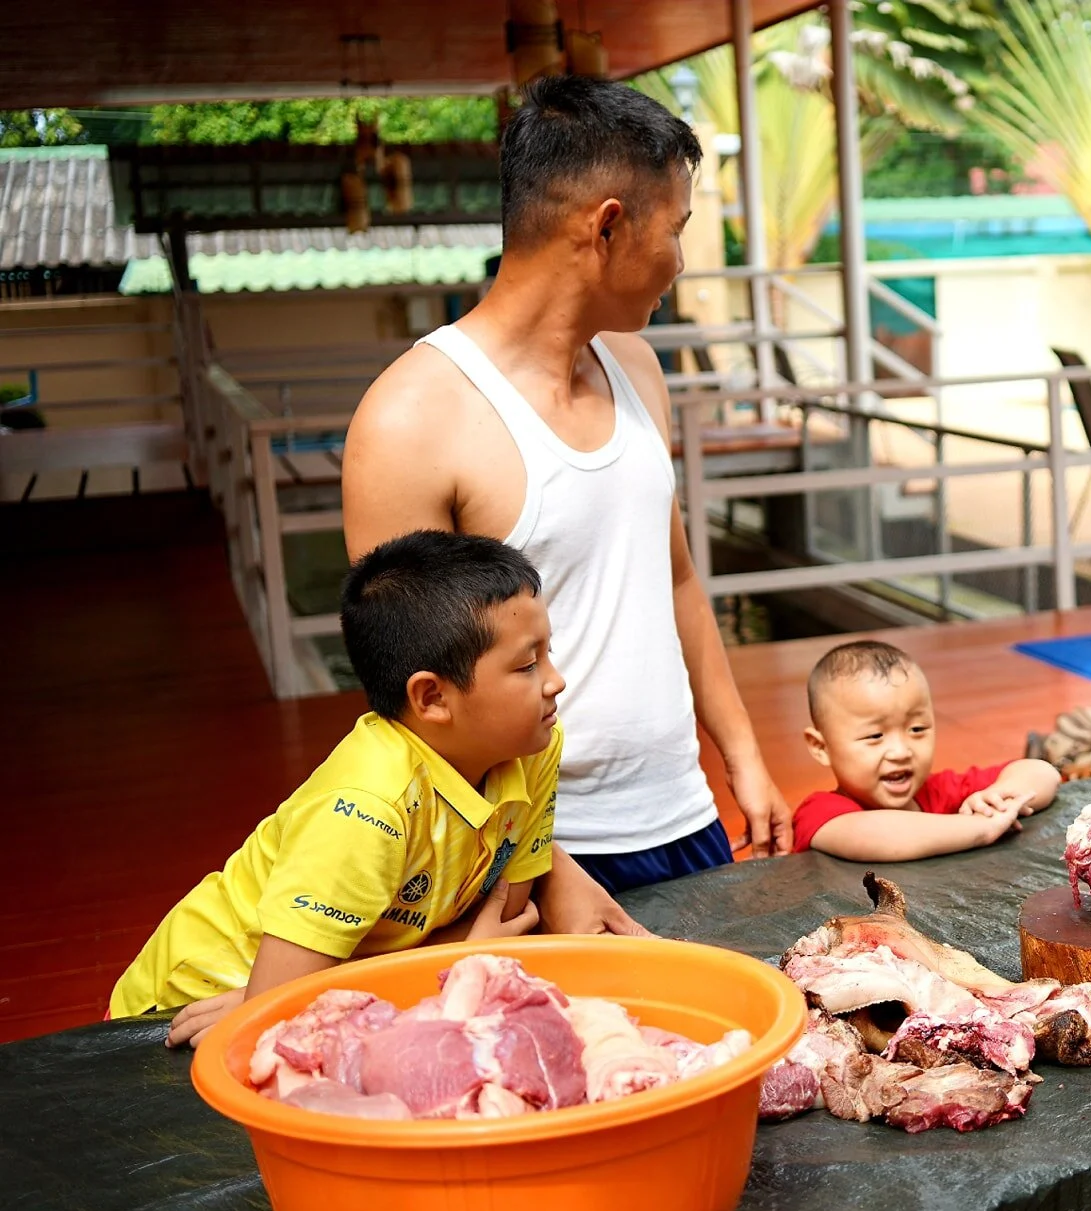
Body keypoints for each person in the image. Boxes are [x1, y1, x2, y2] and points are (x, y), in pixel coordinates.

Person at [342, 75, 791, 929]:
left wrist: (741, 753)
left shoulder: (638, 367)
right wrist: (543, 868)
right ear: (608, 226)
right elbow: (410, 711)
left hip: (684, 815)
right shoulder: (410, 419)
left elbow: (677, 579)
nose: (682, 261)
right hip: (536, 856)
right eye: (677, 229)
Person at [110, 532, 563, 1047]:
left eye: (547, 652)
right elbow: (278, 1010)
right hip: (189, 1009)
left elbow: (505, 916)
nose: (556, 681)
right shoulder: (369, 808)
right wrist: (455, 957)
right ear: (432, 697)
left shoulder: (534, 744)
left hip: (314, 987)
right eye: (527, 666)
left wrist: (451, 955)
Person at [792, 640, 1062, 860]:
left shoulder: (939, 792)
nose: (900, 751)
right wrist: (981, 828)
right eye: (875, 736)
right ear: (821, 747)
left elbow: (1041, 771)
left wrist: (999, 798)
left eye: (917, 729)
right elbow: (881, 834)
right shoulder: (819, 812)